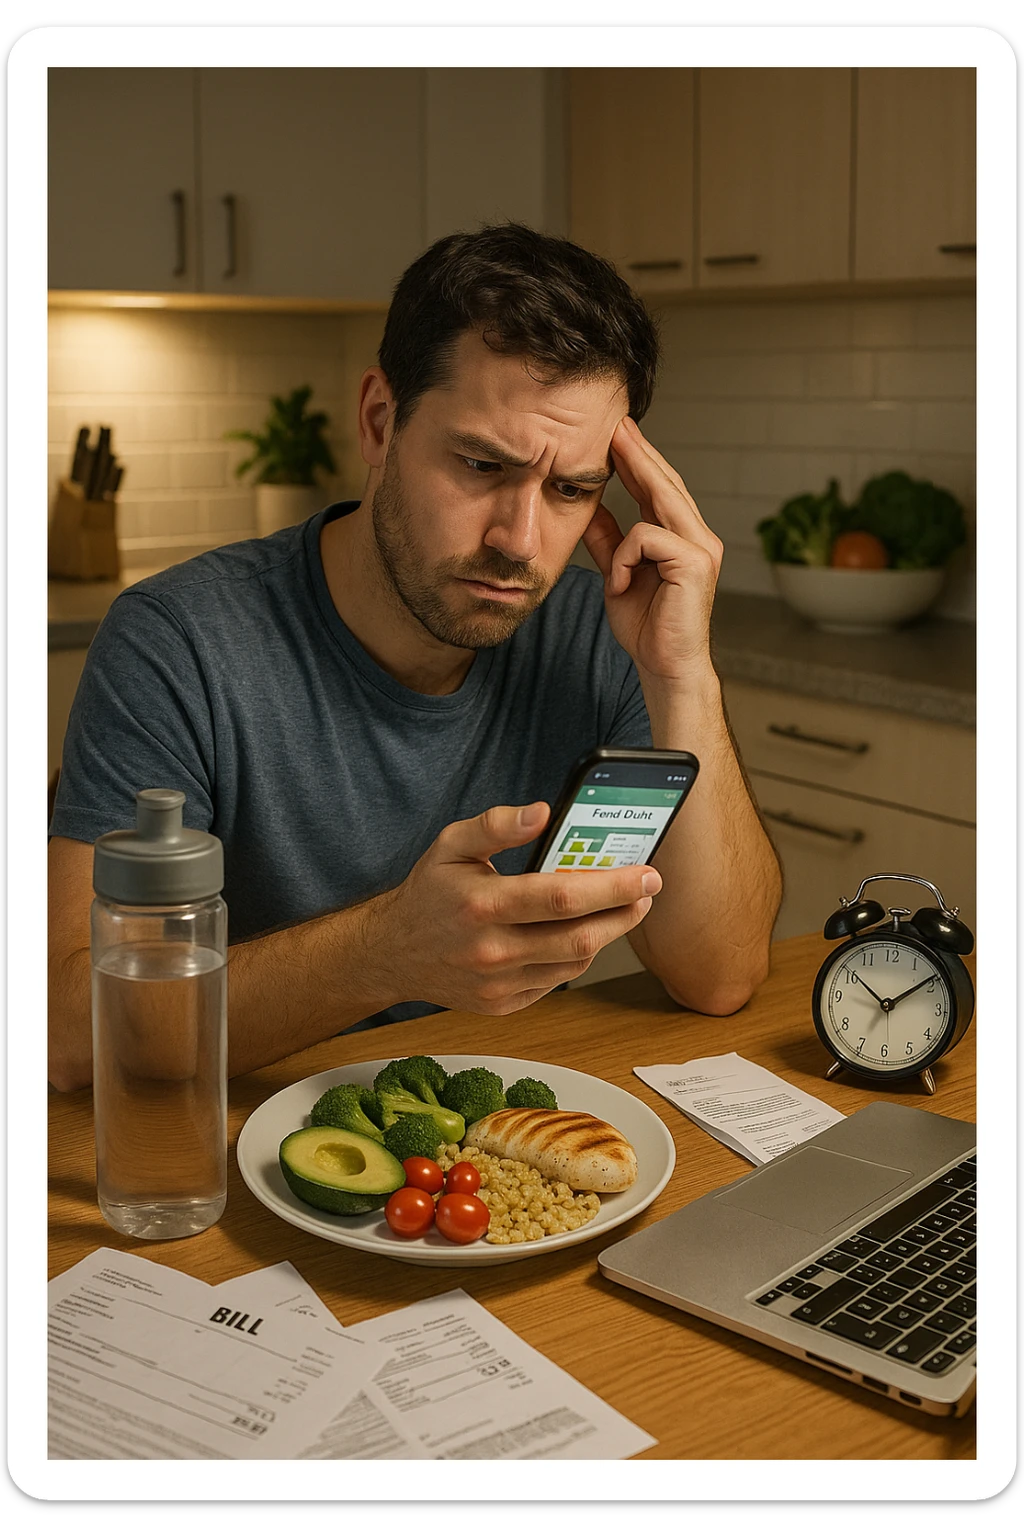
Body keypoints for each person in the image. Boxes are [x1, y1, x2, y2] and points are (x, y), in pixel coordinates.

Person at [47, 223, 782, 1092]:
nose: (521, 541)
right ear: (379, 421)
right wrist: (385, 953)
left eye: (572, 489)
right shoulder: (178, 641)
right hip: (253, 1145)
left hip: (499, 1141)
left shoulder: (606, 630)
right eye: (480, 464)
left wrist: (682, 675)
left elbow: (720, 976)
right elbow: (72, 1033)